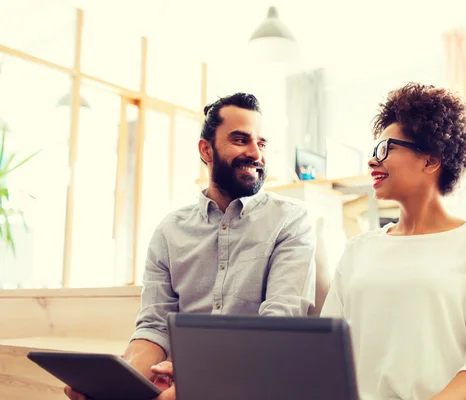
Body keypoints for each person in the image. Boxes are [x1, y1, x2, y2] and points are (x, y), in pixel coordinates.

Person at [65, 93, 316, 400]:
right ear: (205, 149)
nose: (256, 154)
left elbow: (278, 328)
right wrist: (119, 382)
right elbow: (155, 327)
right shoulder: (170, 231)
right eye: (240, 140)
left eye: (261, 143)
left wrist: (198, 380)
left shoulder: (291, 220)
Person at [321, 83, 466, 400]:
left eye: (386, 149)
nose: (373, 162)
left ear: (431, 160)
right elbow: (325, 354)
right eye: (374, 152)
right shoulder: (358, 249)